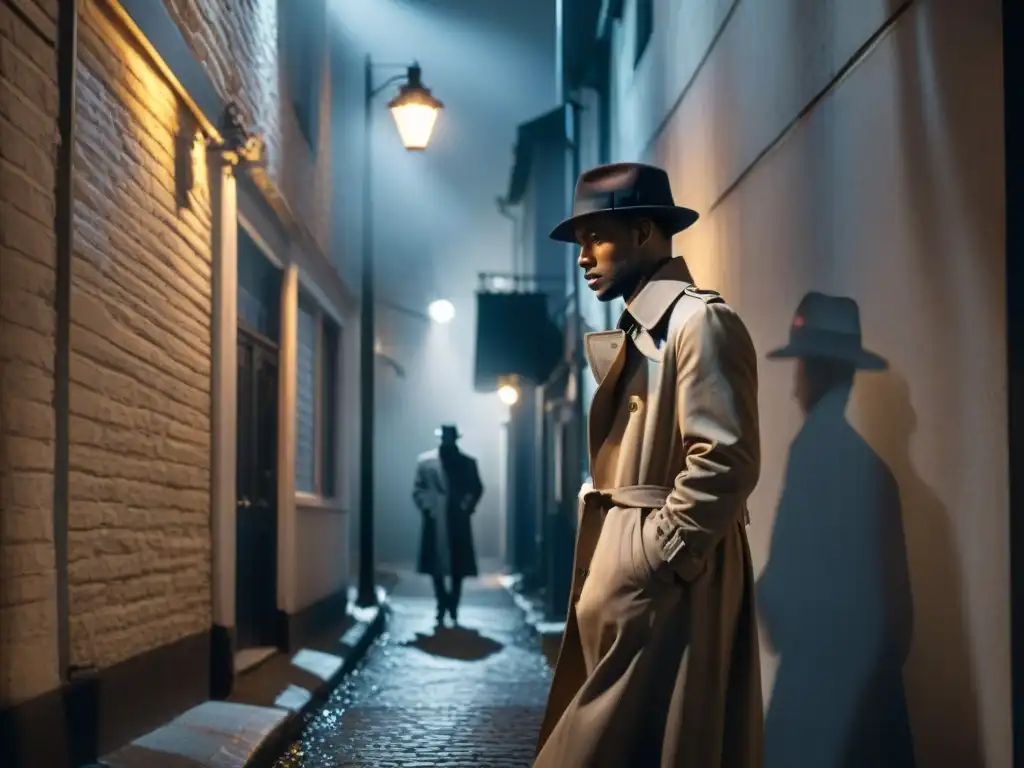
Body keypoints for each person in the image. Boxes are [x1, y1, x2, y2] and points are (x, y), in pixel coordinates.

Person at [535, 162, 763, 767]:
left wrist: (658, 555)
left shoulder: (698, 322)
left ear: (644, 233)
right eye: (581, 241)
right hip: (640, 574)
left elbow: (725, 456)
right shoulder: (644, 328)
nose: (583, 257)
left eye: (597, 237)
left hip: (669, 579)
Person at [412, 424, 484, 625]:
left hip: (457, 519)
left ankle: (453, 605)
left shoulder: (468, 463)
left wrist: (466, 507)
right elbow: (418, 489)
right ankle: (442, 603)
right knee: (435, 566)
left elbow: (477, 488)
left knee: (458, 567)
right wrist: (428, 508)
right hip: (435, 519)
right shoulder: (426, 463)